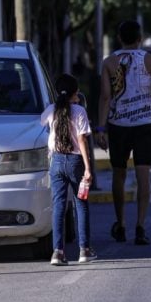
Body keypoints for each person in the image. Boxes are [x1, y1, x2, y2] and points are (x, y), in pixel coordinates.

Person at [97, 20, 151, 246]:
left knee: (118, 174)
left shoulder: (109, 62)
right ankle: (140, 226)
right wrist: (147, 101)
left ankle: (120, 224)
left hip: (118, 125)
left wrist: (100, 128)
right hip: (144, 124)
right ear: (140, 38)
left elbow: (106, 97)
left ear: (120, 38)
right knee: (143, 177)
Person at [42, 74, 95, 265]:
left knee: (59, 206)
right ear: (76, 92)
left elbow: (42, 124)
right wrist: (88, 168)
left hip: (55, 161)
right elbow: (82, 140)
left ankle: (58, 252)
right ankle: (84, 250)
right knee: (80, 203)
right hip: (75, 162)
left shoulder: (51, 109)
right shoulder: (79, 111)